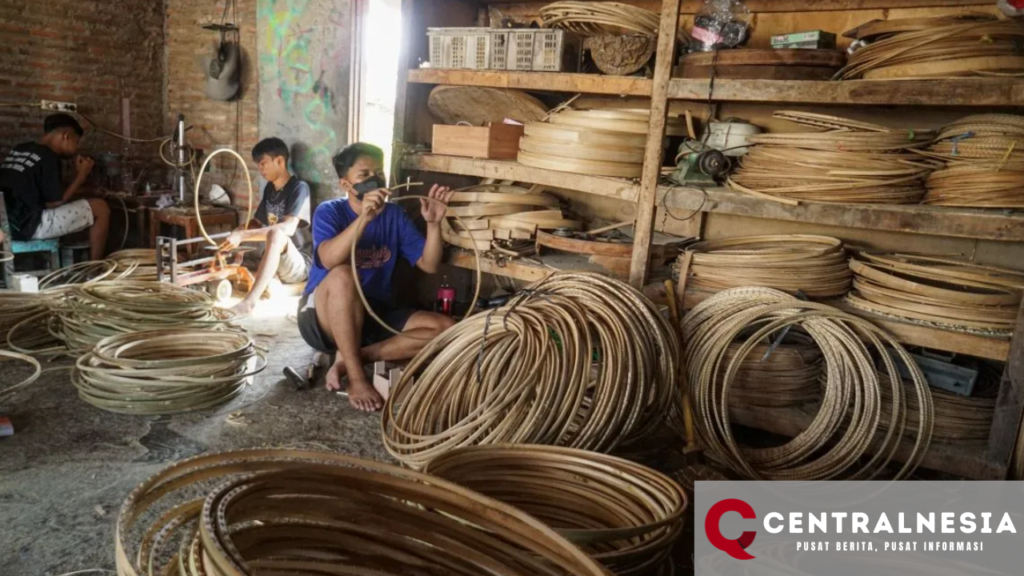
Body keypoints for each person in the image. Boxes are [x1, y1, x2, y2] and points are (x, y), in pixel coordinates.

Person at [297, 142, 456, 412]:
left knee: (447, 330)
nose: (375, 179)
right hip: (323, 318)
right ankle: (357, 378)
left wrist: (433, 224)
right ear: (347, 185)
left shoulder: (394, 214)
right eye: (364, 174)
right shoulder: (330, 211)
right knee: (343, 276)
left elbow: (429, 265)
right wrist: (364, 219)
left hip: (374, 312)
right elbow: (327, 259)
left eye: (378, 171)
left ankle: (353, 358)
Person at [221, 137, 312, 316]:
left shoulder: (299, 188)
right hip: (275, 259)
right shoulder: (270, 189)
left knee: (277, 234)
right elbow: (256, 223)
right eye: (258, 165)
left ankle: (249, 303)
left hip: (298, 264)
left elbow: (288, 228)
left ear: (279, 161)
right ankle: (278, 286)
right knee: (241, 235)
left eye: (263, 164)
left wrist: (244, 236)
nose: (260, 169)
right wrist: (239, 232)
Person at [0, 114, 109, 260]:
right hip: (29, 226)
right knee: (101, 207)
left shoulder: (21, 149)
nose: (76, 149)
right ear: (66, 136)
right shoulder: (49, 156)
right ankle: (97, 266)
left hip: (8, 223)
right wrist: (82, 175)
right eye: (76, 142)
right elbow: (54, 202)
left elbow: (38, 190)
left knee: (84, 204)